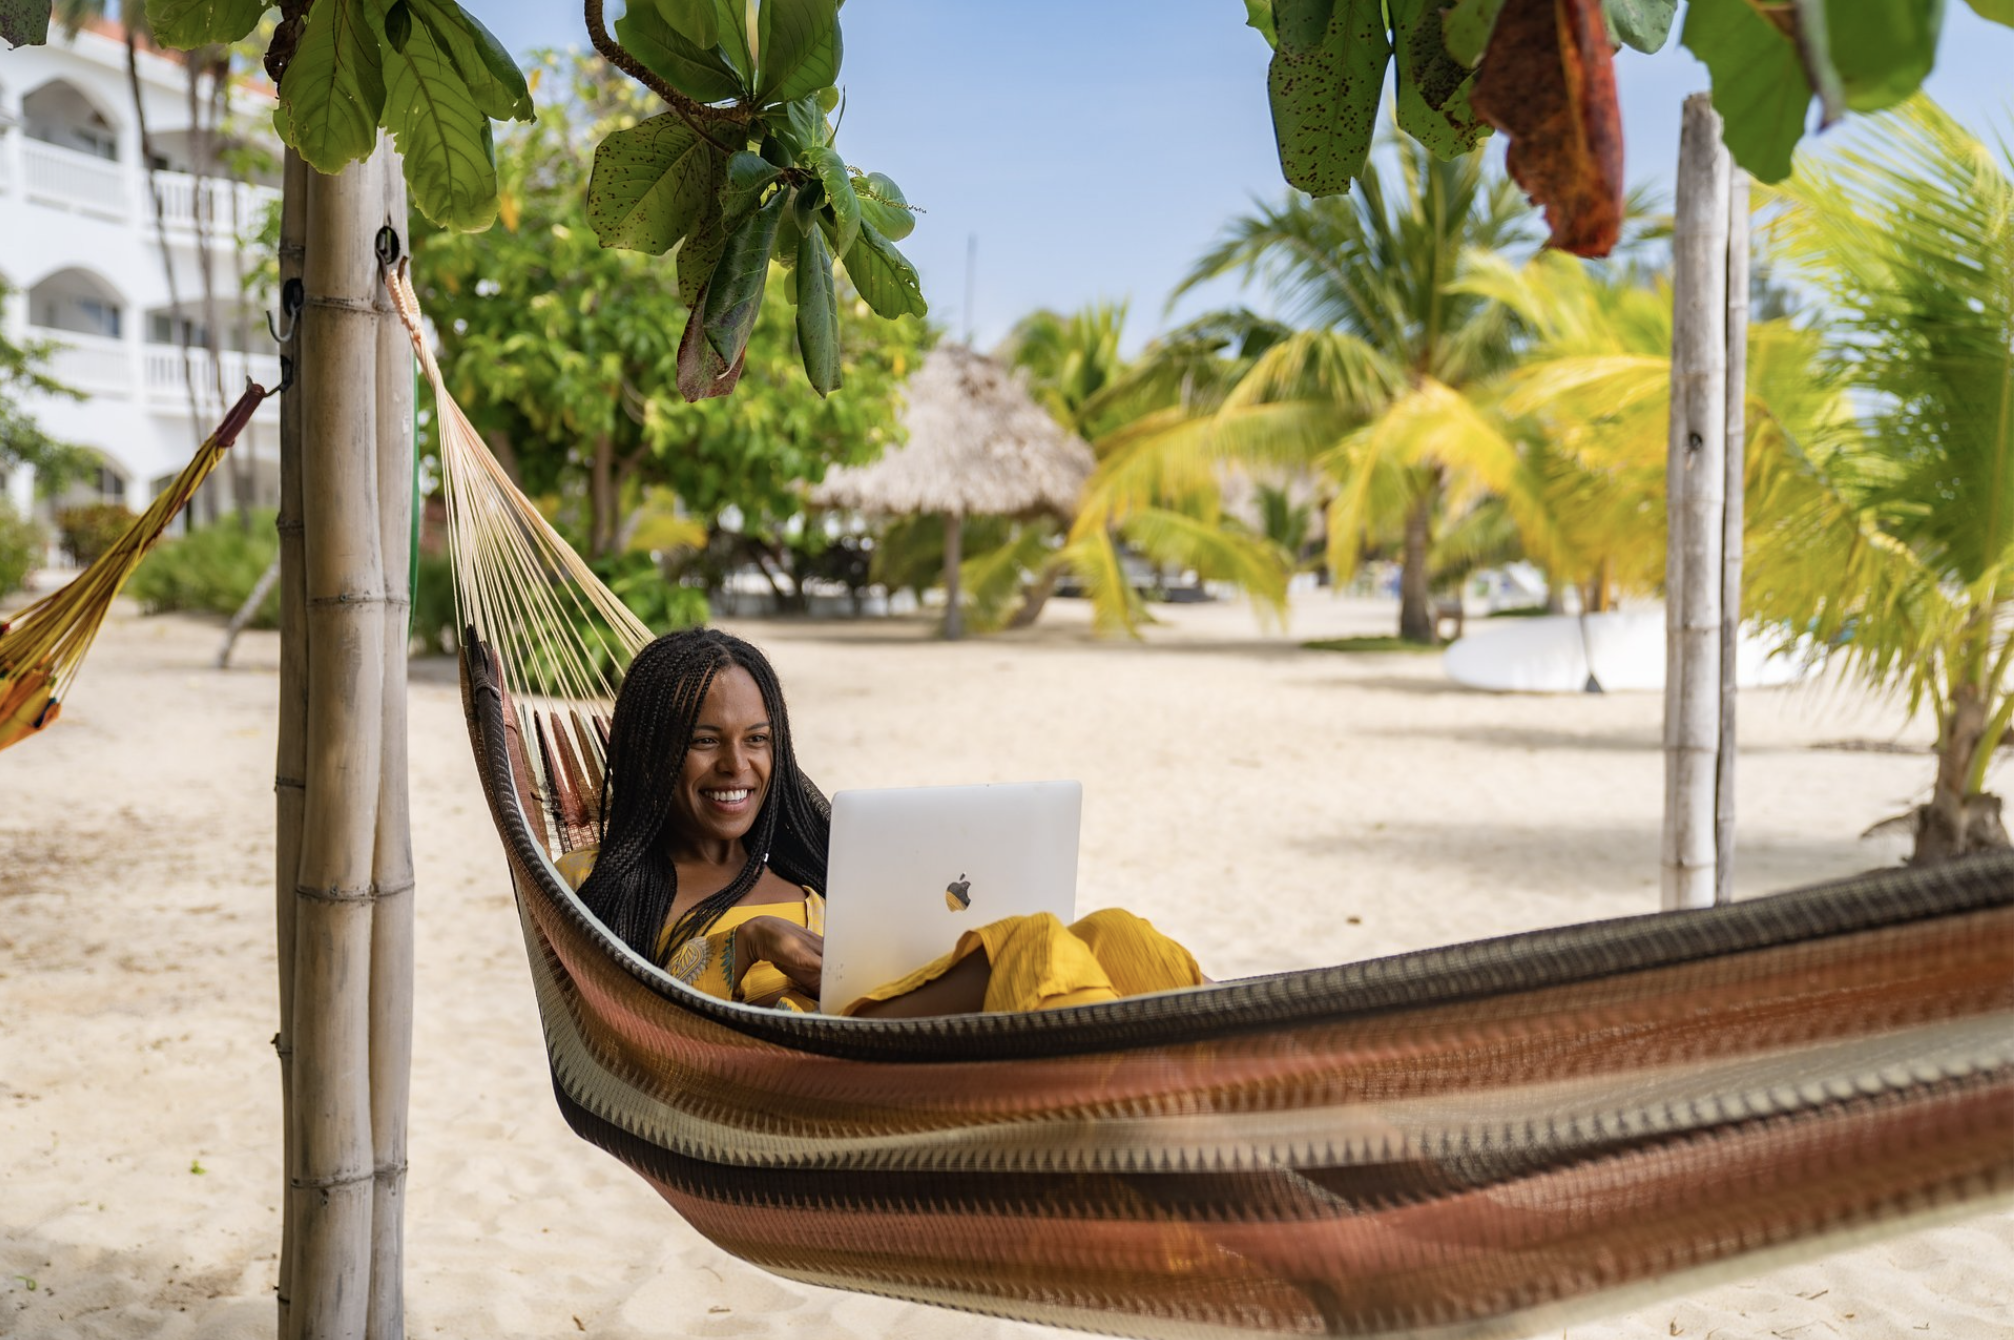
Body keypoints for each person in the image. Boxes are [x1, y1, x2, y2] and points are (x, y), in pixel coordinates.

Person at [565, 627, 1204, 1016]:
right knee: (1034, 946)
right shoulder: (597, 879)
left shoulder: (812, 869)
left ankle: (1249, 1086)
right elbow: (634, 1020)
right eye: (706, 740)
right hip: (825, 1064)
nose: (738, 765)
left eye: (758, 740)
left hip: (899, 1013)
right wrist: (750, 942)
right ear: (651, 752)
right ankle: (1137, 1125)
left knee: (1119, 935)